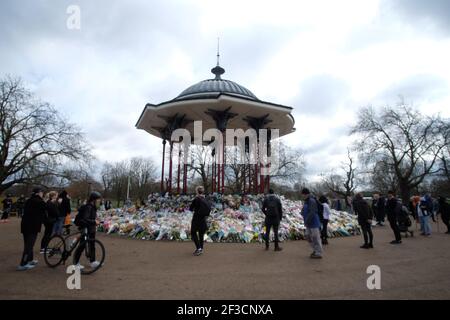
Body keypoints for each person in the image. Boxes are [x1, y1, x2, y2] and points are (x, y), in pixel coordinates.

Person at [17, 188, 47, 271]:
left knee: (28, 243)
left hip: (26, 225)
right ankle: (23, 264)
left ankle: (29, 260)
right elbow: (47, 207)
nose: (42, 194)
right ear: (38, 193)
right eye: (42, 192)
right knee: (29, 245)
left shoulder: (30, 200)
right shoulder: (38, 201)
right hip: (32, 226)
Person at [73, 191, 102, 270]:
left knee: (92, 245)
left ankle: (92, 261)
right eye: (98, 199)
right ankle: (75, 263)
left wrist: (96, 219)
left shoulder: (93, 207)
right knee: (82, 245)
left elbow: (91, 217)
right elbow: (85, 218)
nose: (99, 201)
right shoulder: (88, 207)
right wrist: (94, 221)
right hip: (85, 228)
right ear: (94, 200)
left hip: (91, 228)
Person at [300, 188, 323, 259]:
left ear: (306, 194)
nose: (302, 196)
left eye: (303, 195)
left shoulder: (311, 201)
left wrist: (307, 220)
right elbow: (304, 210)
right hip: (308, 223)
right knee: (307, 236)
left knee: (316, 238)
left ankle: (318, 253)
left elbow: (312, 212)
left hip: (314, 222)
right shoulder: (306, 201)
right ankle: (315, 250)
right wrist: (302, 212)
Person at [189, 186, 211, 256]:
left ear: (197, 191)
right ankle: (201, 248)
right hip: (203, 218)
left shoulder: (196, 199)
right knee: (201, 234)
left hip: (196, 218)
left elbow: (191, 208)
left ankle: (198, 248)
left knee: (193, 232)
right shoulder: (205, 199)